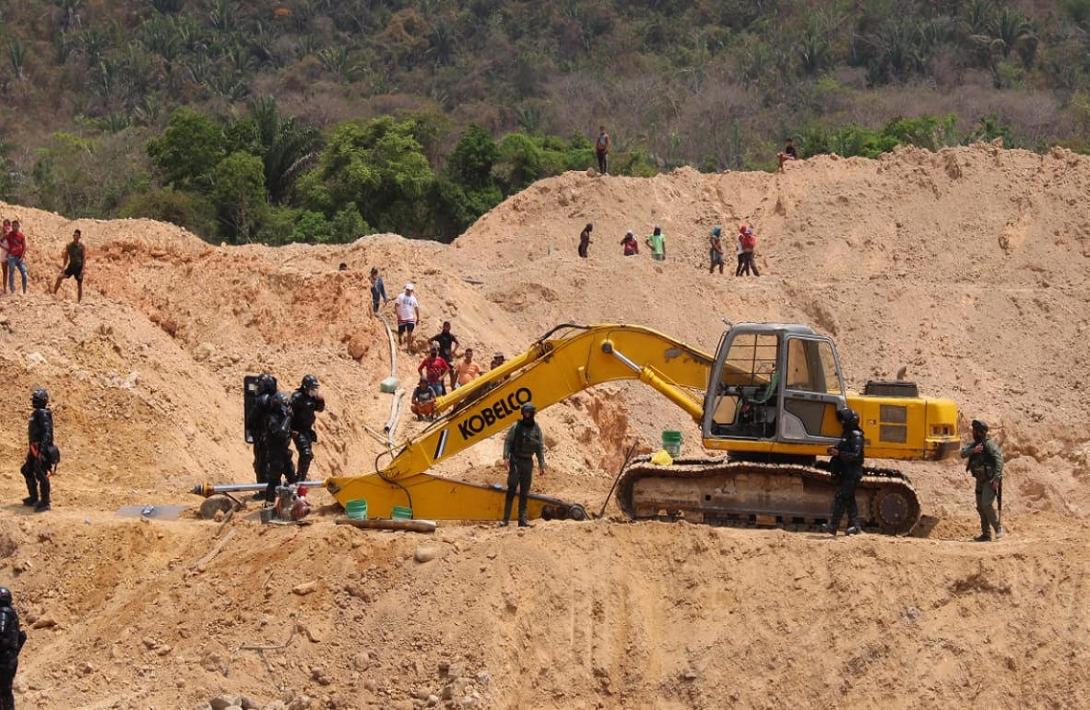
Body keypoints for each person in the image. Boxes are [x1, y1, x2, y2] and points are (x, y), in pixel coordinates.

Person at [821, 407, 865, 536]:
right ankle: (855, 526)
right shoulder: (846, 435)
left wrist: (839, 453)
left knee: (841, 497)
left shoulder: (856, 436)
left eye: (845, 420)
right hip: (845, 472)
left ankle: (833, 526)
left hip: (852, 472)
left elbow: (856, 455)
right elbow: (843, 450)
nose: (842, 423)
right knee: (849, 499)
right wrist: (834, 451)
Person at [501, 403, 545, 527]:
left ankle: (522, 520)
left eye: (529, 413)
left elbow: (540, 447)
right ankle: (505, 519)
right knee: (511, 490)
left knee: (524, 492)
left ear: (532, 414)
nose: (527, 415)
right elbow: (508, 442)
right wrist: (506, 458)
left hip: (528, 462)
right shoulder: (516, 427)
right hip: (516, 461)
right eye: (525, 412)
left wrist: (542, 465)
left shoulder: (536, 429)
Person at [960, 419, 1005, 542]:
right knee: (980, 507)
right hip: (980, 480)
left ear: (980, 432)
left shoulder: (989, 444)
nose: (973, 432)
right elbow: (962, 453)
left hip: (990, 480)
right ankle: (986, 534)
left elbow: (999, 460)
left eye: (975, 431)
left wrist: (996, 478)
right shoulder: (975, 445)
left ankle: (998, 528)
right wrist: (973, 451)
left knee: (986, 504)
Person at [21, 388, 55, 512]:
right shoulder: (37, 413)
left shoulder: (43, 413)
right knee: (26, 470)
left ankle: (45, 502)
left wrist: (41, 451)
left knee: (41, 473)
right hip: (34, 448)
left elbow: (47, 434)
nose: (34, 401)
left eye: (36, 399)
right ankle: (34, 497)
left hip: (41, 449)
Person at [262, 385, 296, 504]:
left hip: (284, 450)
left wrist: (292, 432)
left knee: (292, 475)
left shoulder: (281, 416)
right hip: (275, 452)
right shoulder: (272, 418)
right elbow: (280, 433)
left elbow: (285, 431)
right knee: (274, 479)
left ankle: (295, 501)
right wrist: (288, 417)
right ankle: (269, 503)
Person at [246, 374, 277, 499]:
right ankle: (274, 490)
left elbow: (252, 419)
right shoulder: (277, 399)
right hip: (274, 438)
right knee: (274, 464)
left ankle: (263, 492)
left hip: (262, 438)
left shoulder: (260, 400)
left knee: (261, 465)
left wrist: (253, 430)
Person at [290, 374, 325, 482]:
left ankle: (301, 478)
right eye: (312, 388)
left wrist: (321, 401)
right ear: (305, 387)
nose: (314, 390)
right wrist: (290, 430)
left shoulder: (312, 398)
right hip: (297, 430)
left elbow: (319, 409)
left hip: (307, 431)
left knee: (308, 456)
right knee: (305, 453)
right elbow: (288, 413)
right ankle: (298, 479)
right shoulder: (297, 397)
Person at [0, 587, 26, 710]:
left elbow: (1, 632)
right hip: (10, 659)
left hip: (4, 659)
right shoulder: (12, 614)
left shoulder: (4, 613)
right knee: (6, 691)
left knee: (4, 692)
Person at [52, 228, 86, 302]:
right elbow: (66, 257)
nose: (75, 237)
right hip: (71, 267)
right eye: (74, 235)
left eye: (76, 235)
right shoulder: (69, 246)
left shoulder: (82, 246)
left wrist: (83, 269)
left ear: (79, 237)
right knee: (59, 277)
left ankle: (79, 302)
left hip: (79, 268)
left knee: (79, 284)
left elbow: (84, 258)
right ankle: (53, 294)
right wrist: (63, 267)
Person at [429, 321, 460, 390]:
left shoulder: (451, 336)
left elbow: (457, 343)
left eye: (448, 326)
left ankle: (453, 388)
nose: (447, 327)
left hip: (449, 357)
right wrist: (435, 347)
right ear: (443, 327)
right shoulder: (439, 336)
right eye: (446, 326)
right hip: (441, 357)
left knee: (452, 372)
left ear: (450, 327)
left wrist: (453, 351)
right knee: (442, 373)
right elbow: (429, 340)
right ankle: (443, 390)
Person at [394, 283, 420, 351]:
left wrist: (418, 318)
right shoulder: (400, 296)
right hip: (402, 318)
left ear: (412, 291)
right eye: (408, 289)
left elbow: (416, 308)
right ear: (406, 289)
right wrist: (398, 314)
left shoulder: (413, 298)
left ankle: (408, 348)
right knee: (401, 332)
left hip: (410, 318)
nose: (409, 291)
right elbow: (396, 305)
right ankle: (399, 340)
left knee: (409, 334)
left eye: (410, 290)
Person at [6, 221, 27, 295]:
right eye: (13, 226)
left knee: (24, 274)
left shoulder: (21, 235)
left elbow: (25, 247)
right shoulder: (9, 235)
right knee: (11, 272)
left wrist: (22, 257)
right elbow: (3, 240)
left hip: (20, 258)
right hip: (11, 257)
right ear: (12, 226)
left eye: (16, 226)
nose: (15, 227)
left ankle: (24, 291)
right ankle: (12, 290)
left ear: (19, 226)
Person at [0, 219, 10, 295]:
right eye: (5, 225)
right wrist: (6, 248)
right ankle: (5, 288)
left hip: (10, 255)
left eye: (7, 225)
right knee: (5, 272)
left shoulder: (12, 234)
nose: (6, 226)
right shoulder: (2, 234)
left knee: (11, 272)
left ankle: (11, 288)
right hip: (4, 254)